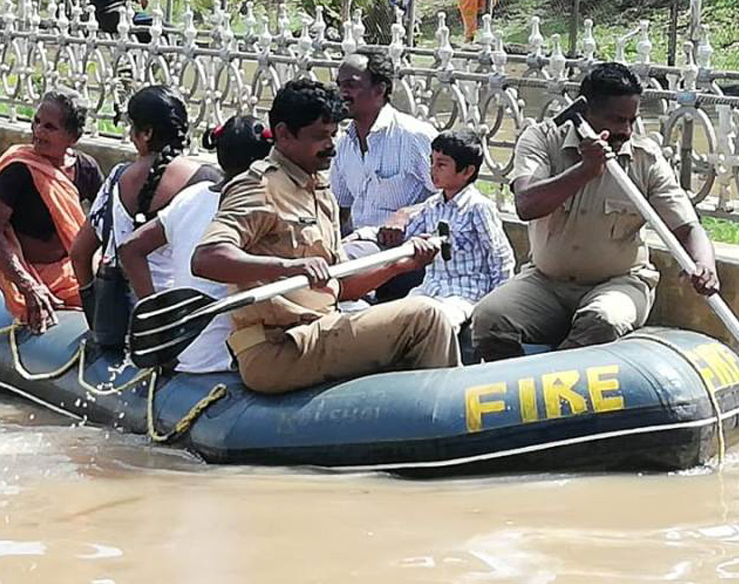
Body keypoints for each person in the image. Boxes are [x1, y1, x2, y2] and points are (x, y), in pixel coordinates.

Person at [190, 78, 460, 395]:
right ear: (283, 134)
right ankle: (446, 419)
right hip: (278, 347)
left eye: (333, 134)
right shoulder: (259, 187)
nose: (331, 145)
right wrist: (287, 268)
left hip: (320, 327)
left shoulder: (319, 189)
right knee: (425, 318)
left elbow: (339, 286)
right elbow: (206, 259)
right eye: (319, 137)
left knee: (418, 309)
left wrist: (398, 267)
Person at [470, 63, 720, 360]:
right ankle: (508, 388)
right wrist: (585, 170)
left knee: (601, 321)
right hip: (545, 281)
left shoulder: (646, 158)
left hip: (620, 283)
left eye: (631, 121)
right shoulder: (541, 140)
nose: (625, 131)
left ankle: (555, 390)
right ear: (586, 111)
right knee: (489, 319)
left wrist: (704, 265)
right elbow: (526, 204)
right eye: (616, 120)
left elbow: (687, 228)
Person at [120, 116, 275, 373]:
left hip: (187, 353)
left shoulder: (193, 196)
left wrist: (160, 325)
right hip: (228, 359)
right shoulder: (264, 204)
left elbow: (130, 249)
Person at [70, 85, 221, 327]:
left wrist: (94, 311)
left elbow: (79, 253)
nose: (130, 135)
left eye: (132, 127)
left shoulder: (118, 179)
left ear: (147, 133)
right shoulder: (206, 182)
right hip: (182, 327)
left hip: (122, 325)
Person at [377, 130, 515, 331]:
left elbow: (499, 255)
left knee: (440, 325)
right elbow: (407, 236)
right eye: (432, 162)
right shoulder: (432, 205)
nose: (433, 170)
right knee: (394, 321)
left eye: (441, 165)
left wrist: (499, 303)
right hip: (430, 287)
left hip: (465, 292)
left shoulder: (478, 208)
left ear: (467, 171)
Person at [0, 92, 91, 333]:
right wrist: (27, 286)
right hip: (25, 275)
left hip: (71, 275)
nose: (38, 131)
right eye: (37, 122)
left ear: (74, 137)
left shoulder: (86, 169)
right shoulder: (17, 168)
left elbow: (106, 224)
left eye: (50, 127)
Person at [331, 51, 437, 300]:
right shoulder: (342, 142)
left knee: (332, 270)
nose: (342, 93)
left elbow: (455, 197)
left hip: (405, 249)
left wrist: (406, 214)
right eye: (339, 85)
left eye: (351, 85)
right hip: (359, 243)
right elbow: (341, 208)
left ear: (380, 89)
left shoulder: (414, 137)